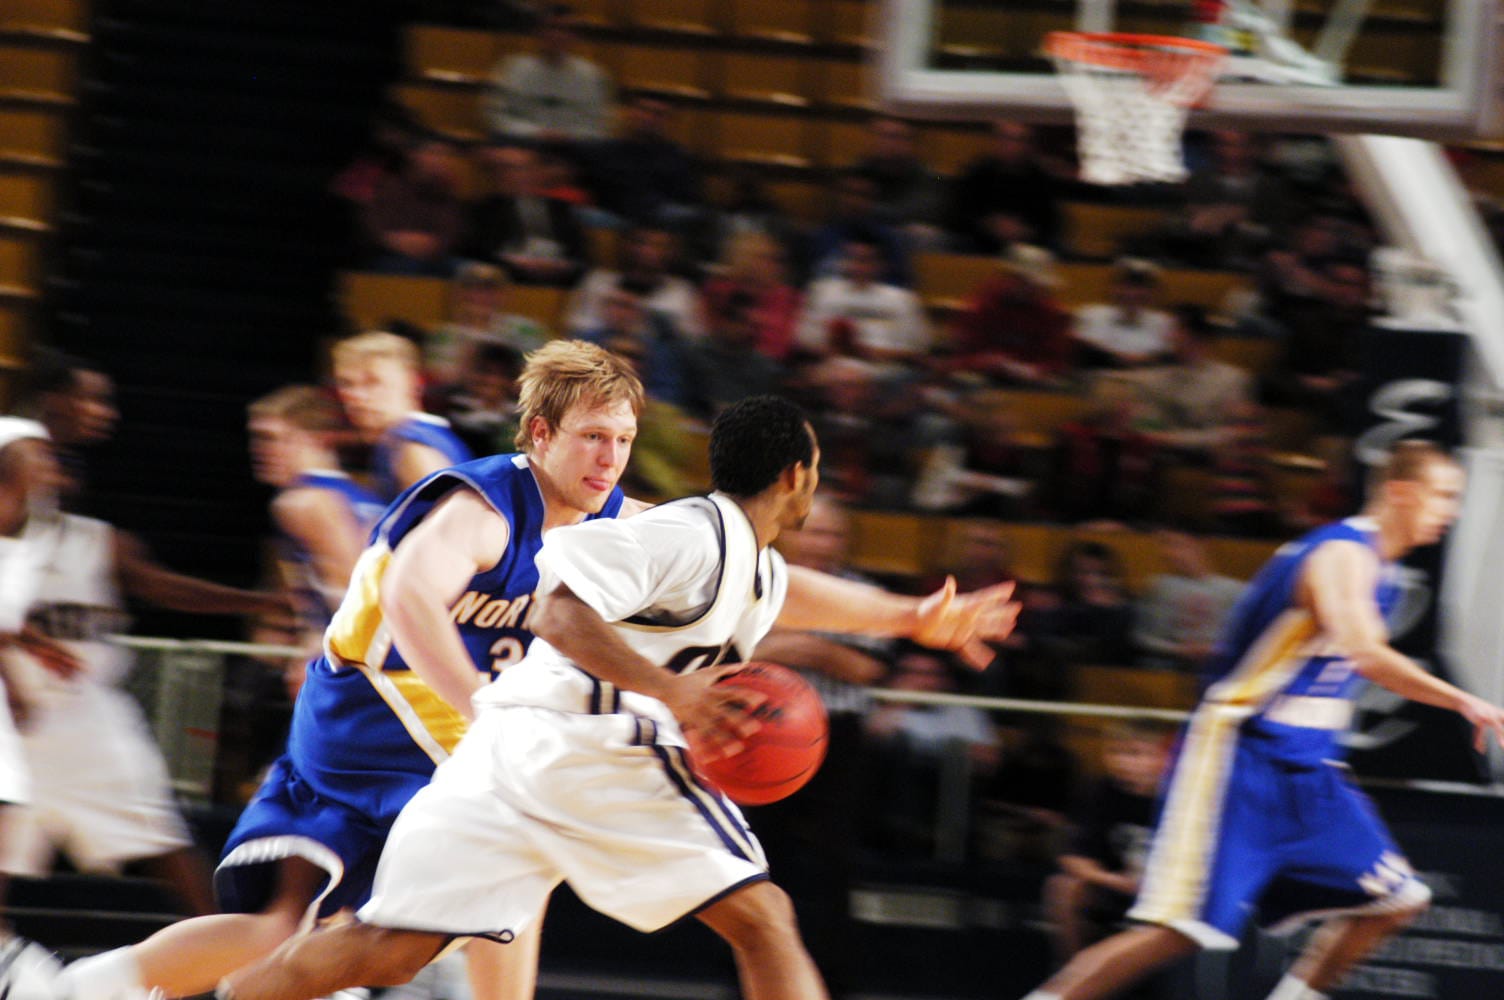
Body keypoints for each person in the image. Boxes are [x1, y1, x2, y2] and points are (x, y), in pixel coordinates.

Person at [213, 394, 1020, 1000]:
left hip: (504, 754)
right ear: (798, 476)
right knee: (763, 918)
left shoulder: (724, 549)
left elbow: (791, 592)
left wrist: (914, 618)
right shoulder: (691, 535)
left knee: (381, 948)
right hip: (593, 746)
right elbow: (559, 611)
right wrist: (673, 691)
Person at [42, 342, 646, 1000]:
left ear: (408, 380)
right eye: (348, 381)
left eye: (622, 439)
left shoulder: (442, 460)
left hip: (380, 691)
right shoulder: (444, 475)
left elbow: (713, 560)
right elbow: (398, 589)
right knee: (513, 836)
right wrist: (479, 704)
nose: (355, 392)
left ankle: (82, 989)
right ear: (541, 433)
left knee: (287, 924)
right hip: (381, 693)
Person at [1017, 440, 1504, 1000]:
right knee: (1177, 932)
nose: (1452, 510)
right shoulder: (1341, 556)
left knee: (1400, 901)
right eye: (1444, 495)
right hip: (1241, 757)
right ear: (1400, 492)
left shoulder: (1385, 574)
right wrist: (1464, 700)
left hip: (1310, 771)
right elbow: (1367, 654)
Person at [1, 462, 290, 916]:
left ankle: (229, 958)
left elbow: (161, 587)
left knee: (164, 840)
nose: (51, 479)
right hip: (17, 725)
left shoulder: (97, 540)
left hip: (86, 717)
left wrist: (252, 602)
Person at [247, 386, 385, 660]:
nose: (260, 450)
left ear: (315, 439)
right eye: (256, 438)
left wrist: (329, 658)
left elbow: (351, 590)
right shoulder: (360, 494)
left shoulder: (304, 502)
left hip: (365, 656)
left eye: (272, 438)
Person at [1043, 720, 1170, 964]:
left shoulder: (1180, 795)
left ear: (1162, 756)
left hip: (1170, 893)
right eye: (1115, 751)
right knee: (1064, 888)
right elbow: (1074, 858)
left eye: (1135, 754)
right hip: (1116, 888)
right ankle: (1077, 975)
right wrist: (1117, 881)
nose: (1123, 762)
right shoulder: (1099, 791)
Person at [332, 332, 474, 502]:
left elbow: (455, 525)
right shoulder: (400, 441)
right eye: (346, 383)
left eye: (372, 382)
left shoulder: (413, 449)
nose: (356, 396)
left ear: (414, 383)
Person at [483, 4, 613, 148]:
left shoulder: (593, 76)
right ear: (538, 32)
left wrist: (569, 136)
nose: (558, 35)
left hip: (575, 148)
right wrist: (534, 132)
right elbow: (495, 115)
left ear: (576, 36)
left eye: (566, 30)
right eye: (552, 27)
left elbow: (600, 124)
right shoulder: (512, 68)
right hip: (523, 144)